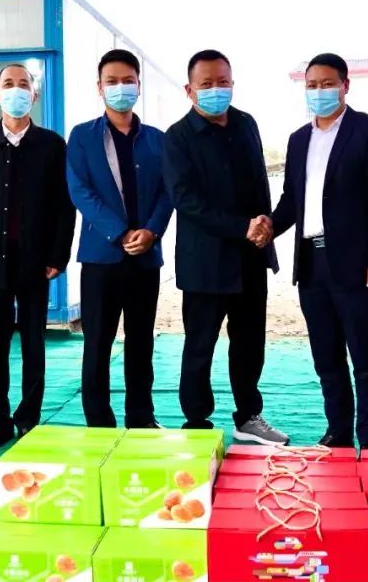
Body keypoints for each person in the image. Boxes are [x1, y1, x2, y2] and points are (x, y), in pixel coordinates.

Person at [162, 49, 288, 446]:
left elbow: (259, 185)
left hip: (250, 258)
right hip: (205, 262)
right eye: (206, 84)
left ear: (232, 84)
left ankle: (248, 416)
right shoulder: (177, 137)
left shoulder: (246, 124)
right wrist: (241, 227)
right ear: (189, 90)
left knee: (250, 344)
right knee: (200, 345)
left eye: (223, 82)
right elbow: (186, 200)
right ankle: (196, 422)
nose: (216, 90)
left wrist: (265, 226)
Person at [271, 53, 368, 450]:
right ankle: (338, 430)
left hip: (354, 263)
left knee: (364, 355)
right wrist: (268, 226)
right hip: (311, 262)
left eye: (327, 84)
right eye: (312, 85)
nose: (319, 92)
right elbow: (292, 199)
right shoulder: (298, 139)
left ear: (345, 86)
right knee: (326, 355)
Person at [0, 64, 75, 453]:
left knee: (33, 344)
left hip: (35, 263)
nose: (16, 90)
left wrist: (58, 255)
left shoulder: (52, 145)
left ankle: (29, 420)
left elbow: (64, 206)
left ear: (34, 96)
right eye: (8, 84)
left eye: (24, 84)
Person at [67, 50, 173, 430]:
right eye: (112, 81)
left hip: (145, 257)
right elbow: (80, 191)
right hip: (101, 257)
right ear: (99, 87)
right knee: (98, 342)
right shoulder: (82, 136)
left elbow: (168, 192)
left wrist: (152, 230)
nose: (120, 87)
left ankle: (141, 418)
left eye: (128, 80)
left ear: (139, 85)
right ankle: (99, 422)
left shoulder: (158, 140)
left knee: (141, 341)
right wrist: (120, 231)